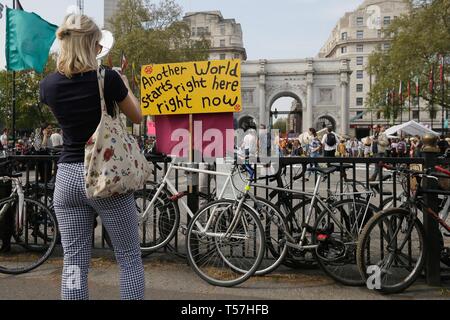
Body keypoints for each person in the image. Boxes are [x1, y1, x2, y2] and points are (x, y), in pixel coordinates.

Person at [39, 14, 144, 300]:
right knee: (128, 257)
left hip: (68, 177)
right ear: (91, 44)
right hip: (104, 175)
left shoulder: (48, 86)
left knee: (73, 261)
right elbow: (137, 115)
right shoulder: (107, 79)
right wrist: (124, 83)